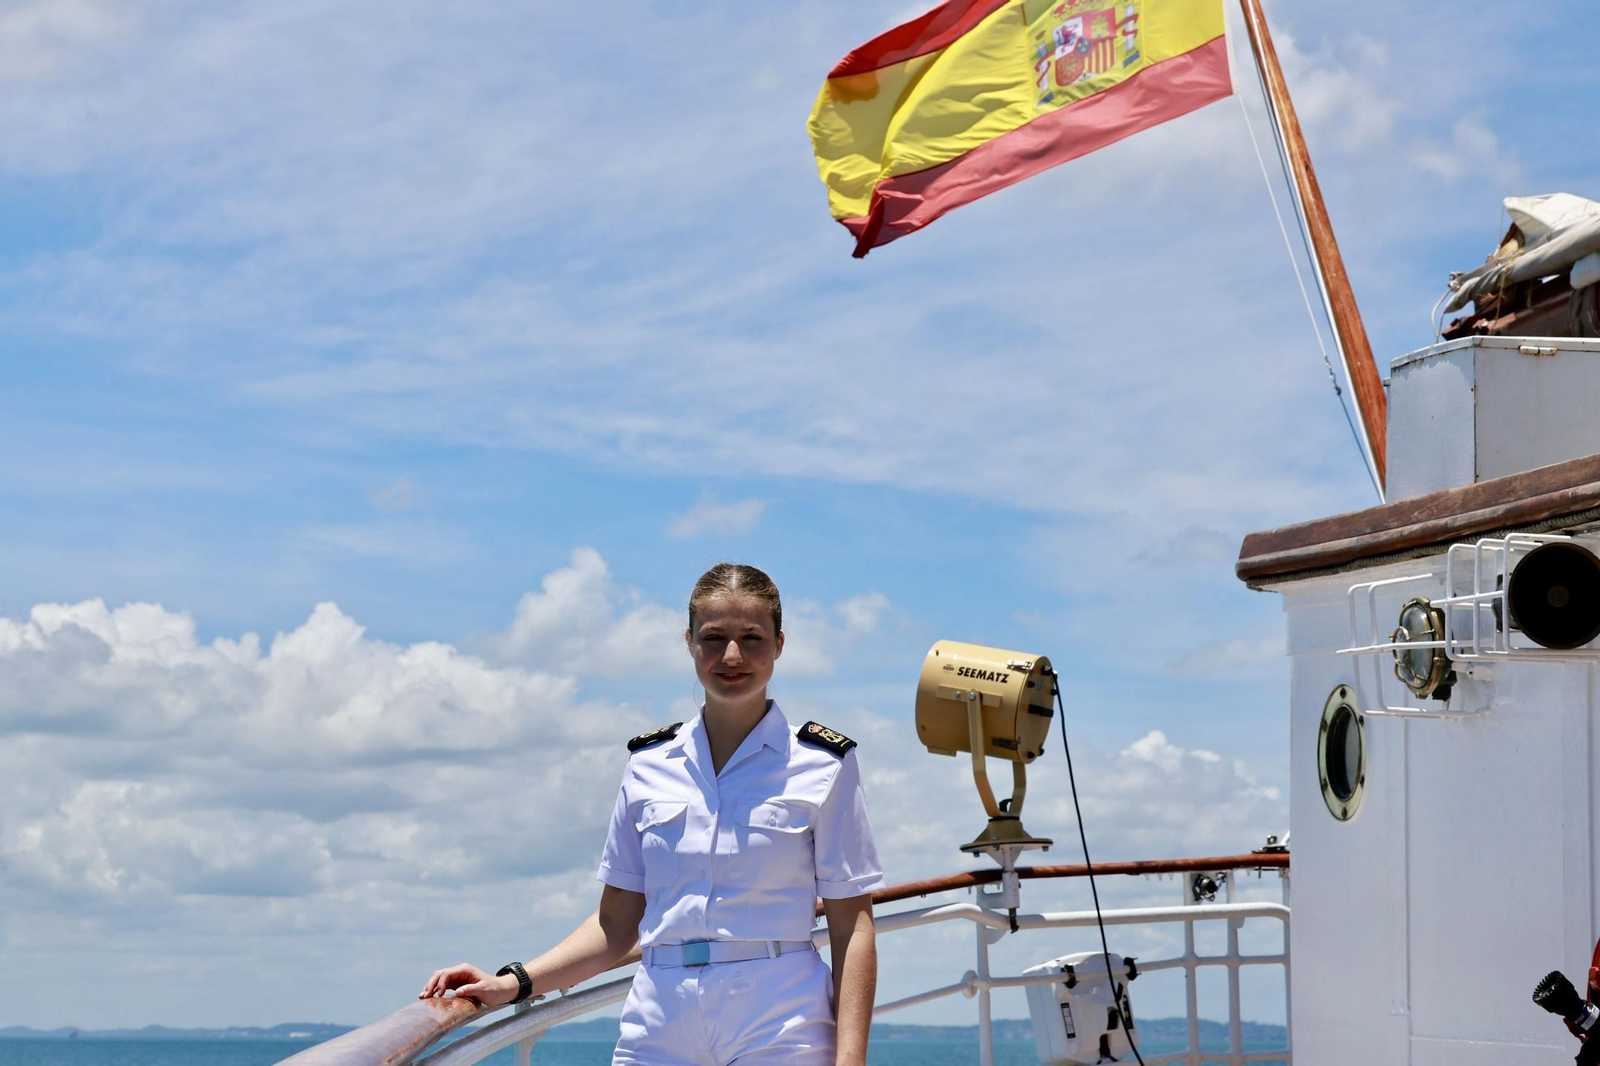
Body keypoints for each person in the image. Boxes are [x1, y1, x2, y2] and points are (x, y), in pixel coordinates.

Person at [420, 562, 883, 1066]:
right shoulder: (648, 764)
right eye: (714, 637)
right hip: (659, 1021)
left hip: (779, 1018)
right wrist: (514, 982)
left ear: (779, 645)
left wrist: (850, 1060)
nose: (732, 655)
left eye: (752, 638)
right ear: (690, 642)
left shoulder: (823, 764)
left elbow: (851, 926)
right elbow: (615, 923)